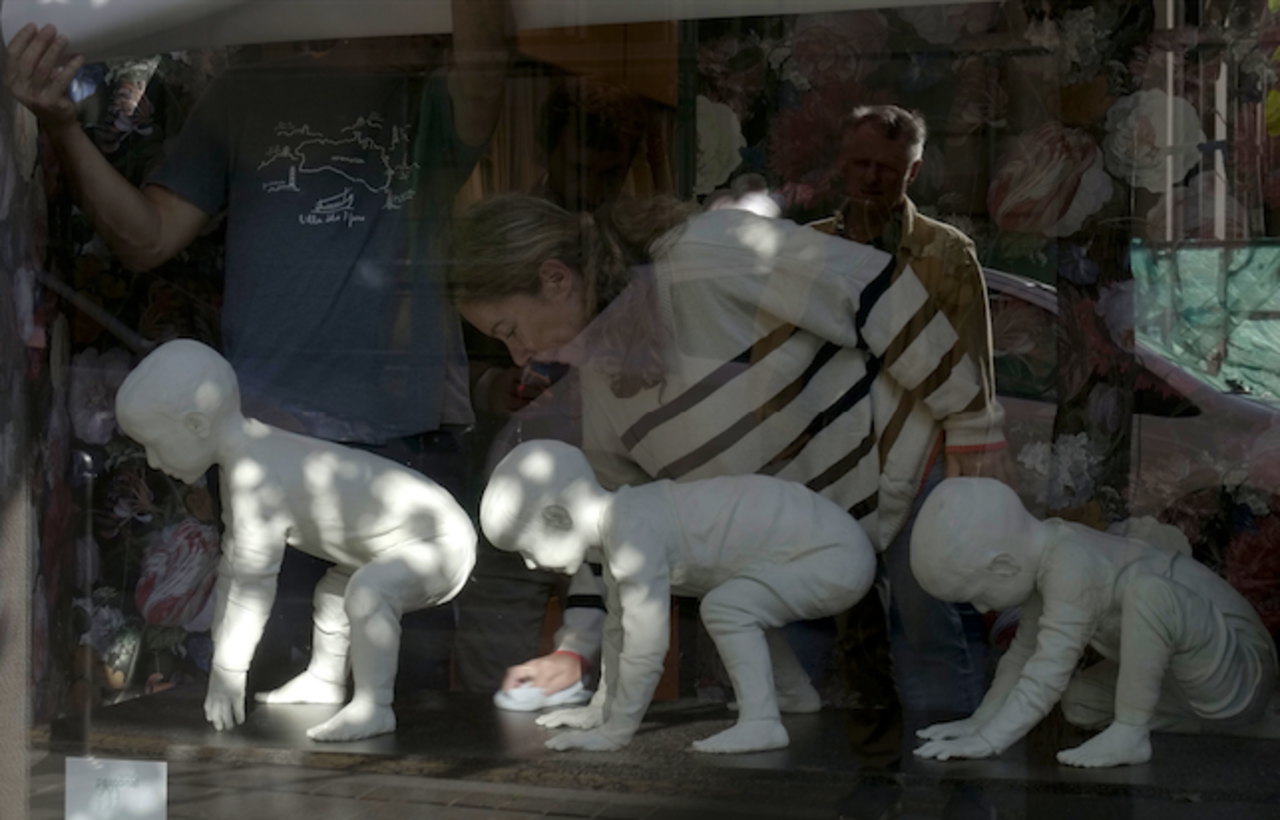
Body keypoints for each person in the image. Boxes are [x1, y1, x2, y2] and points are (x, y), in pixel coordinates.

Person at [5, 2, 509, 691]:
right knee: (278, 693)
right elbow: (146, 238)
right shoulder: (248, 91)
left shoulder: (431, 100)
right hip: (274, 454)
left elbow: (487, 64)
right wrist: (62, 123)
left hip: (406, 450)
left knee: (403, 702)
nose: (441, 24)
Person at [446, 193, 1007, 734]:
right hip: (799, 547)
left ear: (555, 279)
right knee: (787, 704)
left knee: (933, 666)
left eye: (509, 332)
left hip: (899, 472)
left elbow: (876, 288)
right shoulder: (601, 383)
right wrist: (575, 651)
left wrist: (973, 424)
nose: (518, 357)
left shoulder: (706, 253)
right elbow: (613, 535)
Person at [115, 339, 478, 742]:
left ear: (196, 424)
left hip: (440, 542)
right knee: (333, 595)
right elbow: (233, 568)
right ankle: (325, 678)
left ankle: (375, 705)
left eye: (154, 443)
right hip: (401, 541)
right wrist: (224, 663)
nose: (150, 460)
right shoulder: (251, 461)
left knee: (367, 591)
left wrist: (229, 672)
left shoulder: (258, 477)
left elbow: (252, 586)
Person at [810, 102, 1013, 820]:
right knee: (849, 623)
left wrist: (966, 486)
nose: (870, 179)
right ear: (842, 158)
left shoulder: (946, 251)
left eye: (886, 169)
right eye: (860, 163)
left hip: (922, 457)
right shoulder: (806, 249)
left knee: (929, 622)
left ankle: (953, 780)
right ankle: (873, 777)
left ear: (913, 170)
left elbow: (972, 376)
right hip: (831, 465)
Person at [455, 75, 654, 702]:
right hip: (511, 492)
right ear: (547, 153)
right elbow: (456, 369)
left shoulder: (638, 268)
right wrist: (492, 386)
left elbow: (625, 538)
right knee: (503, 684)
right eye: (579, 164)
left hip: (600, 493)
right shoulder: (498, 253)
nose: (594, 181)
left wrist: (574, 647)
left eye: (611, 169)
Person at [481, 439, 877, 753]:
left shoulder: (633, 532)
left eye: (527, 550)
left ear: (557, 518)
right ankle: (792, 694)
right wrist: (601, 710)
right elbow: (619, 628)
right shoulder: (626, 522)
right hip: (825, 550)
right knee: (742, 601)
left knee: (727, 607)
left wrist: (616, 731)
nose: (530, 565)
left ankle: (763, 723)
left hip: (834, 558)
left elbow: (645, 645)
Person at [910, 476, 1278, 768]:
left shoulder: (1071, 564)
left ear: (1003, 566)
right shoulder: (1043, 563)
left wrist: (991, 741)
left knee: (1148, 594)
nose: (979, 607)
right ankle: (1219, 728)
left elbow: (1048, 670)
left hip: (1240, 674)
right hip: (1188, 688)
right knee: (1080, 703)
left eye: (979, 595)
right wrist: (981, 722)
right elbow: (1022, 656)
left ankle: (1131, 732)